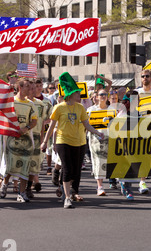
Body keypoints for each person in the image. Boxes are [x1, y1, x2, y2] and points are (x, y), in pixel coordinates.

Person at [41, 72, 104, 209]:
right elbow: (51, 125)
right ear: (71, 94)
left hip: (79, 142)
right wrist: (45, 142)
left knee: (76, 170)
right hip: (63, 141)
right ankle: (67, 197)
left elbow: (86, 124)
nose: (80, 95)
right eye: (77, 93)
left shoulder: (80, 107)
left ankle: (66, 190)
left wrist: (97, 132)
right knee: (68, 168)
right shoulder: (59, 107)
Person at [0, 78, 38, 203]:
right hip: (11, 139)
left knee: (25, 165)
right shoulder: (11, 102)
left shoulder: (31, 104)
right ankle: (5, 184)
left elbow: (34, 121)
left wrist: (25, 129)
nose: (30, 89)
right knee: (11, 165)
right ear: (20, 87)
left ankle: (21, 193)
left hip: (26, 139)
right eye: (26, 86)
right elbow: (2, 115)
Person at [87, 89, 114, 196]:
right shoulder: (90, 110)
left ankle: (120, 184)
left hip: (110, 139)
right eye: (101, 94)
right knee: (98, 161)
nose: (103, 96)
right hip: (95, 140)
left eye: (105, 94)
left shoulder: (112, 110)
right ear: (96, 97)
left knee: (110, 162)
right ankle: (100, 187)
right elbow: (86, 124)